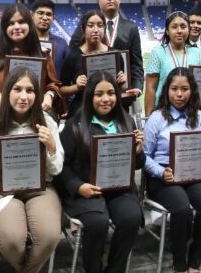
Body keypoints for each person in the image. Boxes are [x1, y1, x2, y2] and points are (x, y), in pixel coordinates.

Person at [0, 68, 62, 273]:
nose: (24, 96)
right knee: (13, 240)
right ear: (7, 92)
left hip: (40, 188)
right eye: (17, 89)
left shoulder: (47, 122)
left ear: (37, 95)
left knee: (49, 236)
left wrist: (51, 147)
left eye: (30, 91)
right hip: (1, 191)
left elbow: (56, 170)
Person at [54, 70, 143, 273]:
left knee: (131, 218)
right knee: (97, 223)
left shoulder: (127, 122)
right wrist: (79, 187)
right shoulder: (75, 125)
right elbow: (61, 167)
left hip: (120, 189)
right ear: (90, 96)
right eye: (99, 94)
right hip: (87, 190)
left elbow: (137, 165)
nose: (106, 99)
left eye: (111, 93)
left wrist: (138, 152)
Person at [142, 67, 201, 273]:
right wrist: (160, 172)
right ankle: (179, 262)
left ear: (192, 91)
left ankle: (195, 258)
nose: (179, 94)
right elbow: (144, 156)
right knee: (182, 209)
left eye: (184, 89)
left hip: (192, 174)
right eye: (174, 89)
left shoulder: (200, 117)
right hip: (163, 176)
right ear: (167, 90)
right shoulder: (156, 118)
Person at [0, 3, 61, 115]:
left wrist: (49, 95)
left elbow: (53, 83)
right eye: (11, 23)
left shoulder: (43, 55)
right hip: (1, 115)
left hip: (35, 115)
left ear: (29, 24)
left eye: (21, 22)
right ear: (4, 28)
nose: (17, 27)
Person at [60, 11, 120, 117]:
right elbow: (61, 90)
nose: (96, 30)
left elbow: (120, 89)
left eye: (100, 25)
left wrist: (122, 84)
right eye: (91, 26)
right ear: (83, 29)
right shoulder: (73, 56)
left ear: (105, 29)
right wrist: (76, 87)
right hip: (80, 113)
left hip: (109, 111)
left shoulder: (115, 55)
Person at [146, 11, 201, 114]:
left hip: (190, 111)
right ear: (167, 31)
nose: (179, 31)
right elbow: (150, 88)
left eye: (183, 27)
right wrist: (148, 118)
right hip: (164, 111)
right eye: (174, 27)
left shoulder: (196, 52)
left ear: (188, 30)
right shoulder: (158, 53)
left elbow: (200, 86)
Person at [96, 0, 144, 98]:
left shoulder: (131, 28)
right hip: (96, 93)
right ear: (98, 0)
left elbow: (136, 63)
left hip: (124, 93)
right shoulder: (87, 26)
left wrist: (137, 87)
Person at [30, 0, 70, 80]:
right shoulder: (23, 42)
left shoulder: (62, 44)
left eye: (48, 14)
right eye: (40, 13)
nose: (45, 18)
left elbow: (68, 72)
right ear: (32, 15)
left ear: (53, 18)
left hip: (54, 91)